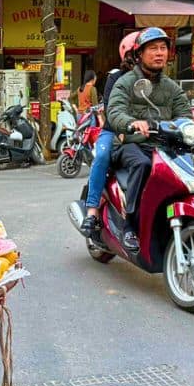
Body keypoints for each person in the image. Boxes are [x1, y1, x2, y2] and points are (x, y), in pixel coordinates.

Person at [107, 27, 193, 251]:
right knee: (143, 165)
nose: (159, 53)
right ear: (139, 54)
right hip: (131, 143)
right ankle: (129, 225)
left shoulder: (172, 88)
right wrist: (132, 122)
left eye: (163, 48)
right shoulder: (125, 82)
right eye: (153, 48)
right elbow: (115, 111)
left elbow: (185, 115)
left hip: (163, 146)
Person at [79, 31, 140, 237]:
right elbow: (110, 107)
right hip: (114, 131)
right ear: (128, 54)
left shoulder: (158, 79)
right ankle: (92, 211)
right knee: (102, 156)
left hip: (145, 134)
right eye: (139, 52)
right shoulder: (116, 77)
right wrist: (122, 129)